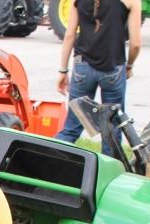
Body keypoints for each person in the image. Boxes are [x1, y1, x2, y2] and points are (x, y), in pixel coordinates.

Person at [55, 0, 142, 155]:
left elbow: (69, 35)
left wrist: (63, 71)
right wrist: (129, 66)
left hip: (82, 67)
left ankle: (47, 161)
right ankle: (107, 173)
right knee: (112, 130)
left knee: (71, 128)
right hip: (113, 67)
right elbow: (135, 44)